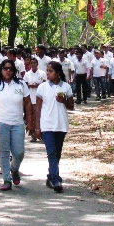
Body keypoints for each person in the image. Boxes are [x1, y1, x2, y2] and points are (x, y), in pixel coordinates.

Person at [0, 59, 33, 191]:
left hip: (17, 123)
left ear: (14, 70)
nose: (8, 71)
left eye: (10, 68)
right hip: (1, 122)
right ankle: (7, 179)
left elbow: (28, 103)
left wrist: (30, 121)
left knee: (19, 152)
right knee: (3, 152)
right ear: (1, 70)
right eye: (5, 68)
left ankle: (14, 168)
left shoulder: (20, 84)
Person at [33, 61, 74, 193]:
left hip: (61, 124)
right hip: (47, 124)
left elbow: (71, 106)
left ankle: (50, 176)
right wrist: (37, 127)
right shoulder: (42, 87)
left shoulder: (66, 87)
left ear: (58, 73)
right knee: (51, 152)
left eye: (51, 71)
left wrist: (64, 101)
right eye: (47, 70)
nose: (48, 73)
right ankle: (56, 179)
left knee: (57, 153)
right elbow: (38, 108)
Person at [23, 57, 46, 142]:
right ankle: (33, 135)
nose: (33, 65)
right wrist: (30, 85)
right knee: (32, 117)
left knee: (40, 116)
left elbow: (45, 84)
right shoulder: (27, 74)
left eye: (34, 63)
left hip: (40, 97)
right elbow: (24, 85)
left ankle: (42, 134)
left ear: (37, 64)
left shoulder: (42, 73)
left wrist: (38, 85)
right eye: (31, 63)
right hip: (31, 97)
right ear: (29, 65)